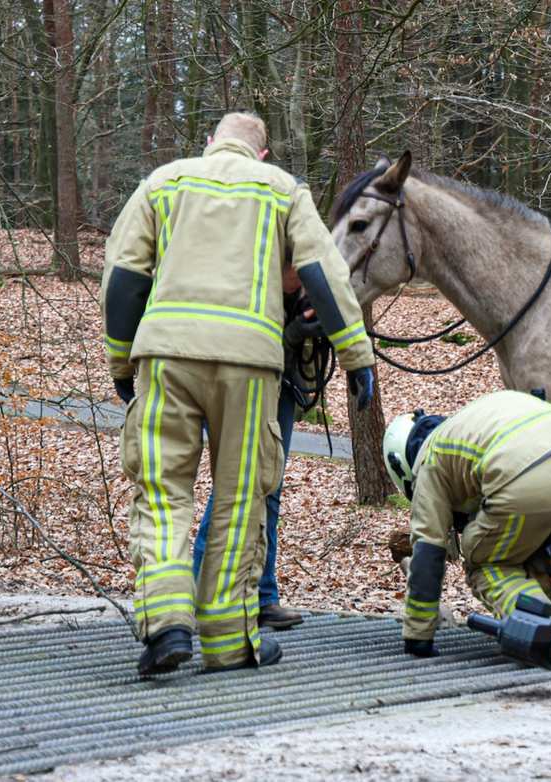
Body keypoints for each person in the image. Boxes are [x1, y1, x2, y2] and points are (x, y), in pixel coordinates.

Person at [101, 112, 376, 675]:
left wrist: (120, 359)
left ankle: (167, 623)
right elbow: (323, 273)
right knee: (238, 500)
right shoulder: (282, 190)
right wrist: (356, 355)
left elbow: (125, 274)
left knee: (161, 490)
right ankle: (228, 642)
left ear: (209, 144)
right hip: (250, 366)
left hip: (168, 357)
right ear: (264, 154)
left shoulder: (165, 183)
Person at [381, 391, 551, 657]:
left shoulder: (430, 457)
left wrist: (417, 635)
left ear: (402, 463)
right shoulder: (482, 417)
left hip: (524, 473)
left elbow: (429, 549)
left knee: (487, 563)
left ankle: (544, 631)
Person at [190, 268, 322, 631]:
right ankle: (199, 593)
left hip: (281, 384)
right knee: (233, 487)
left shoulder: (303, 288)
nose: (302, 275)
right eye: (294, 269)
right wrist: (289, 335)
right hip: (237, 385)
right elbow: (238, 345)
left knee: (271, 486)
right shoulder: (243, 280)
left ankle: (263, 597)